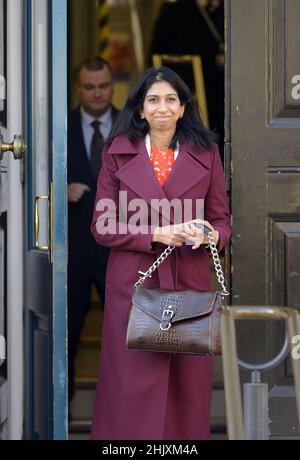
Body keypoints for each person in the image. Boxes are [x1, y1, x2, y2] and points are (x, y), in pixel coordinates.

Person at [90, 66, 231, 440]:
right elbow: (102, 226)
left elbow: (221, 221)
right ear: (140, 109)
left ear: (183, 108)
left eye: (171, 99)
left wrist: (208, 233)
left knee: (187, 388)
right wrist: (155, 232)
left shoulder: (207, 153)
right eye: (153, 100)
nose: (162, 108)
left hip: (189, 280)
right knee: (130, 386)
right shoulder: (116, 153)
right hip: (135, 282)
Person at [67, 56, 119, 402]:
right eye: (90, 87)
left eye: (104, 86)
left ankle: (122, 411)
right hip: (71, 247)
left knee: (123, 336)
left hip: (119, 249)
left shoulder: (132, 127)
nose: (98, 94)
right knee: (66, 333)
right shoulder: (60, 124)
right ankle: (62, 414)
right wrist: (60, 190)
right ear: (78, 88)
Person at [149, 0, 225, 162]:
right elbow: (156, 61)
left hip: (226, 102)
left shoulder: (232, 10)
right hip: (189, 102)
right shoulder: (174, 12)